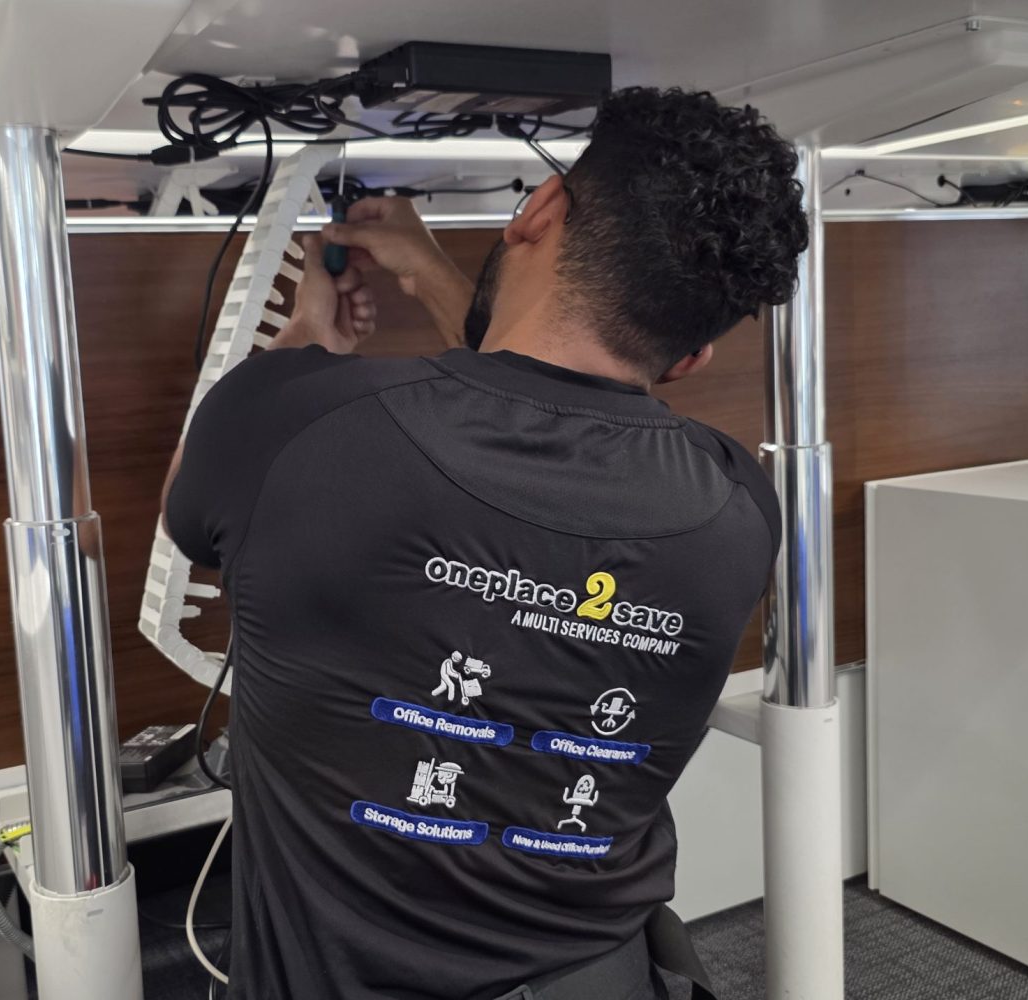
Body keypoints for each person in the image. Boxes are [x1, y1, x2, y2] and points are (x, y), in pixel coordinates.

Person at [162, 86, 807, 1000]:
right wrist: (430, 278)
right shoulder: (740, 505)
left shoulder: (295, 427)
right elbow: (545, 406)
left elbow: (189, 513)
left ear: (538, 211)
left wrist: (306, 338)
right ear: (692, 357)